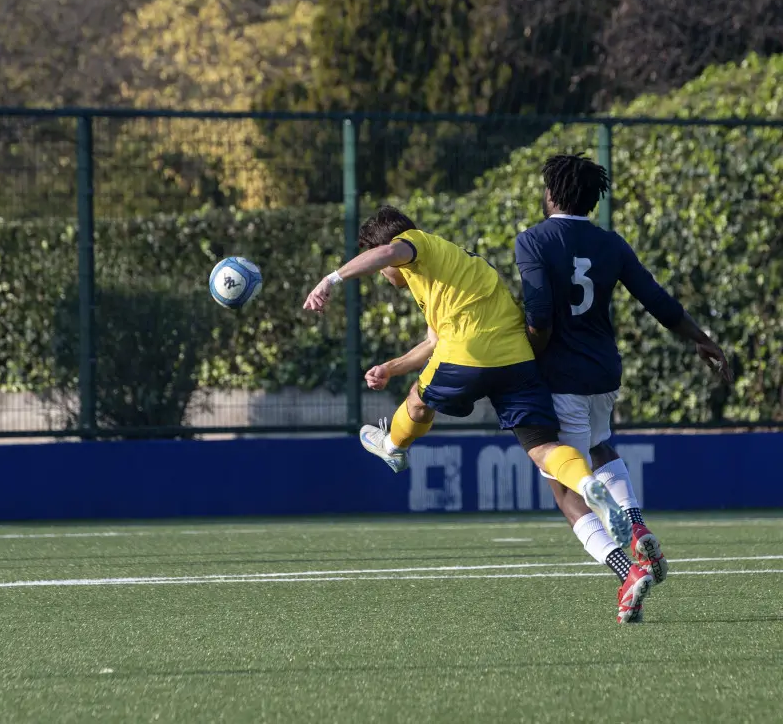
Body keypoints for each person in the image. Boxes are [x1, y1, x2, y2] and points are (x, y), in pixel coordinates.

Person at [304, 205, 652, 622]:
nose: (384, 274)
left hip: (468, 354)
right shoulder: (444, 269)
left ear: (390, 246)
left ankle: (393, 444)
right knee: (544, 449)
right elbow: (434, 340)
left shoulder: (413, 245)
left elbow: (386, 256)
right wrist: (391, 367)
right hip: (515, 359)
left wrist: (331, 279)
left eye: (383, 264)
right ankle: (591, 494)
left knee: (417, 400)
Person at [515, 153, 732, 603]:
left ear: (551, 194)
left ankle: (625, 571)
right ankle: (636, 524)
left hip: (560, 376)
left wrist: (522, 362)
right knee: (600, 446)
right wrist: (701, 338)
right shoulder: (610, 243)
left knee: (561, 484)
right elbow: (656, 299)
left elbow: (539, 317)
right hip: (603, 372)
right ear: (593, 200)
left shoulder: (532, 241)